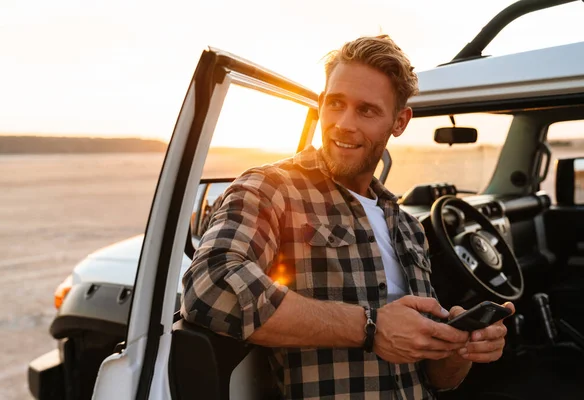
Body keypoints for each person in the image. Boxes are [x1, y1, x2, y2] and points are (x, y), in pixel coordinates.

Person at [181, 34, 514, 399]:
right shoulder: (271, 188)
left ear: (399, 122)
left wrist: (461, 348)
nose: (344, 123)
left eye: (366, 110)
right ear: (321, 103)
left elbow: (436, 379)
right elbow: (209, 286)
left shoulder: (407, 227)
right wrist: (369, 327)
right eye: (336, 104)